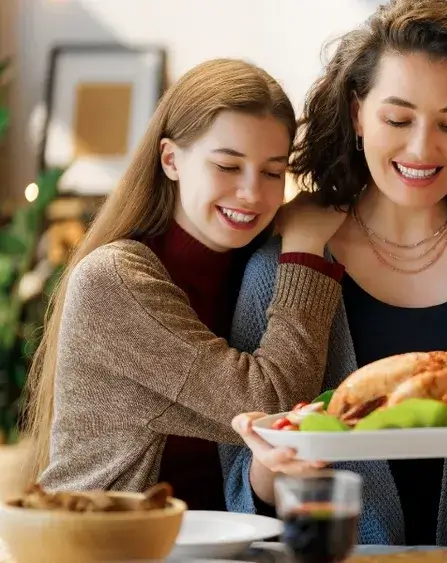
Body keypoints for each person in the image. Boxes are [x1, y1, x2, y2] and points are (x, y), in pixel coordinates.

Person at [220, 0, 447, 548]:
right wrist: (276, 465)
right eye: (397, 119)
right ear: (356, 113)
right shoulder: (281, 266)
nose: (422, 148)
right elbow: (246, 489)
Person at [22, 58, 347, 511]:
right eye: (228, 166)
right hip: (106, 544)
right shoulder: (116, 279)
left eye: (272, 172)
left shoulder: (253, 269)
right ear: (171, 159)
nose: (252, 194)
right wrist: (305, 250)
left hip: (220, 544)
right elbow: (273, 405)